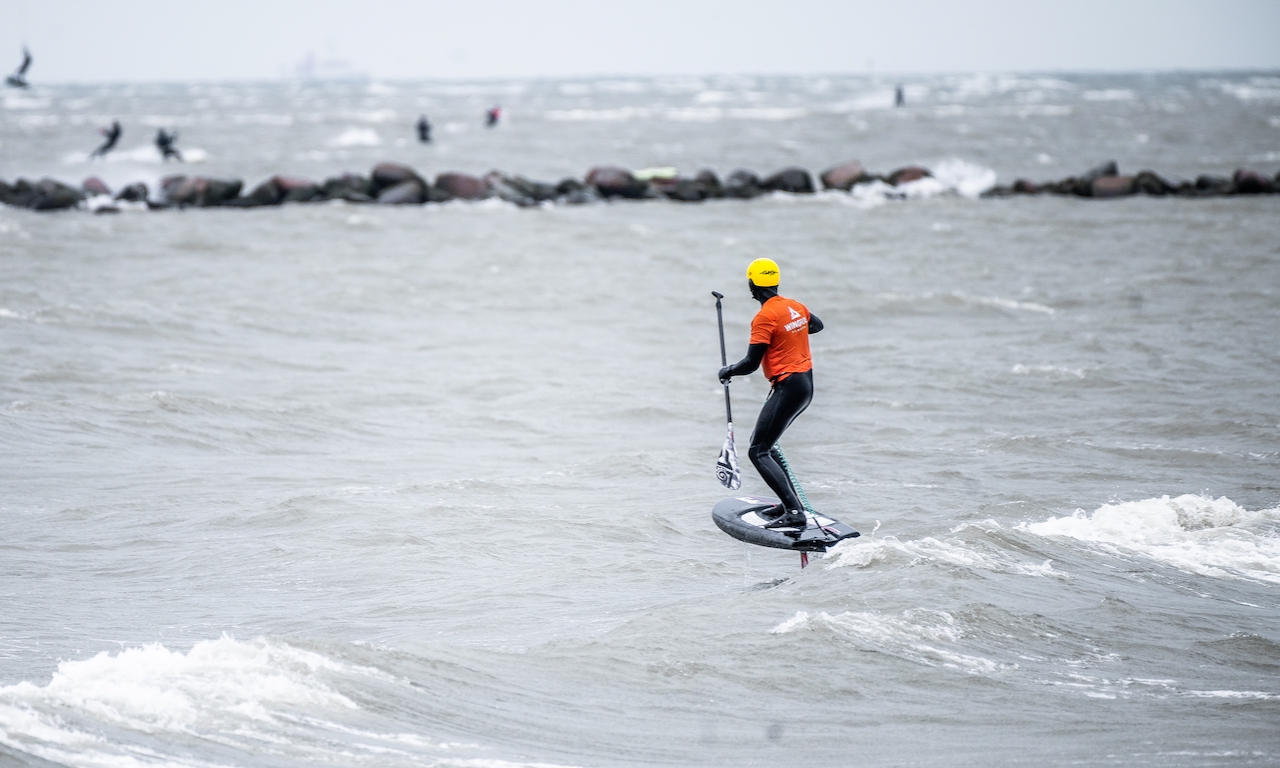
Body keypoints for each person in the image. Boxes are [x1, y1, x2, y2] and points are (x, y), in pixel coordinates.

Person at [717, 258, 824, 529]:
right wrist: (791, 334)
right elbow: (816, 325)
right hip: (806, 385)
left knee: (758, 450)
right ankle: (790, 505)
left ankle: (795, 513)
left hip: (789, 386)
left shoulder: (764, 317)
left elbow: (751, 364)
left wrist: (727, 371)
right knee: (767, 445)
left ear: (752, 285)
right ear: (775, 282)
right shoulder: (794, 306)